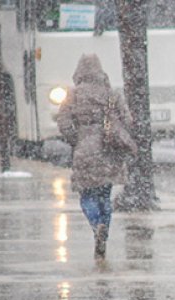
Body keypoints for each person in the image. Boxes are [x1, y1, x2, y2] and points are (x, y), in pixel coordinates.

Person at [57, 53, 136, 263]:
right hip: (108, 151)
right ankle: (104, 230)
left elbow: (63, 122)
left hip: (85, 149)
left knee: (86, 196)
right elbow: (128, 119)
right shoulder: (112, 94)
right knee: (104, 197)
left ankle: (95, 226)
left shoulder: (73, 95)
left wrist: (77, 137)